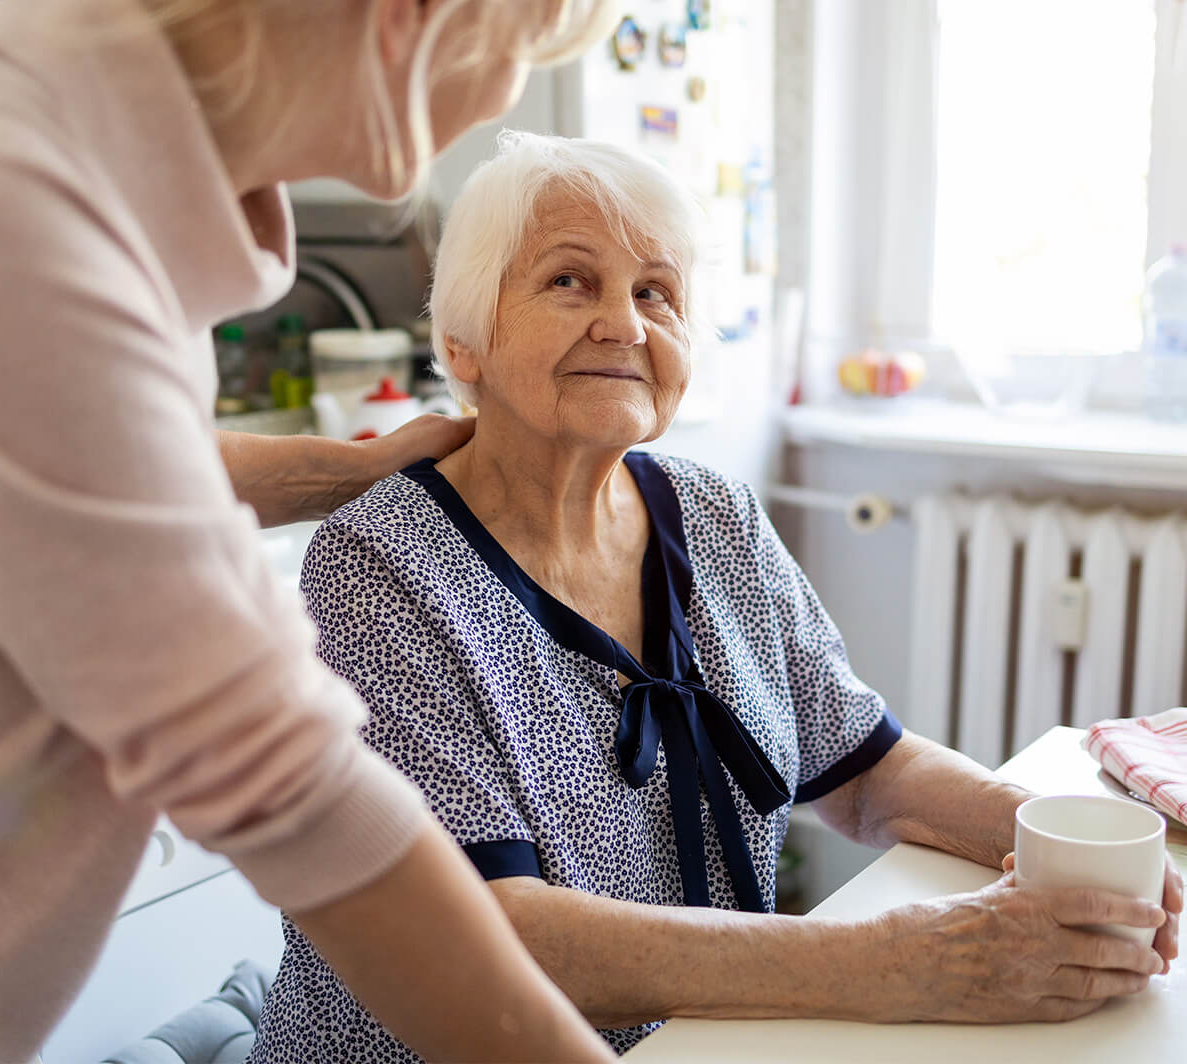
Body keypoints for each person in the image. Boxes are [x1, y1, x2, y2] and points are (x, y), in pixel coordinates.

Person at [256, 131, 1184, 1059]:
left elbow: (869, 771)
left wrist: (1058, 841)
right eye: (570, 281)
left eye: (655, 293)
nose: (625, 326)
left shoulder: (713, 515)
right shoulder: (378, 568)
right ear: (464, 342)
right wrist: (903, 960)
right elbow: (492, 932)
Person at [0, 0, 621, 1062]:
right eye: (524, 46)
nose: (508, 91)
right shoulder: (29, 228)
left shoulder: (80, 123)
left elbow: (98, 464)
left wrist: (348, 468)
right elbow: (290, 788)